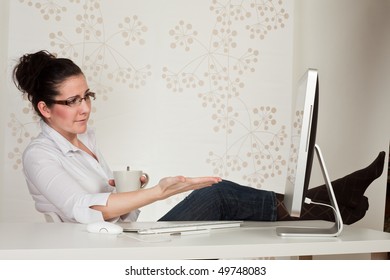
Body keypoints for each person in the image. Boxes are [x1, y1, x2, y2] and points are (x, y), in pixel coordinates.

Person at [12, 50, 386, 224]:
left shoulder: (85, 140)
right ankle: (328, 201)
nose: (84, 108)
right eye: (71, 101)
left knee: (221, 202)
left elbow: (114, 208)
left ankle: (326, 202)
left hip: (125, 238)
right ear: (45, 108)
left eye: (86, 97)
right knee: (217, 194)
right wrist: (159, 190)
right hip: (100, 258)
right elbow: (83, 210)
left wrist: (129, 189)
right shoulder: (39, 154)